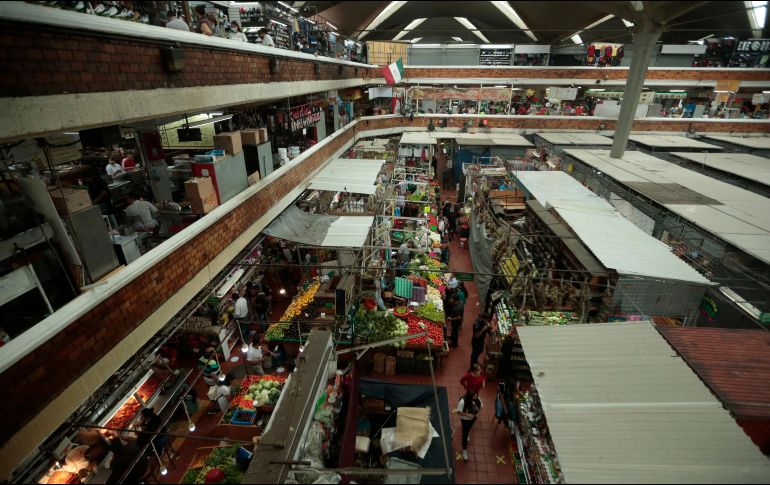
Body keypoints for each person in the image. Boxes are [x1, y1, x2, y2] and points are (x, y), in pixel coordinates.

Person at [452, 389, 482, 461]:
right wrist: (468, 415)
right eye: (474, 397)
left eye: (476, 396)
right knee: (464, 434)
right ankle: (464, 450)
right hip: (465, 420)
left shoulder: (477, 398)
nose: (476, 397)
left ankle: (467, 433)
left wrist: (477, 414)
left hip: (473, 419)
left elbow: (480, 407)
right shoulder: (462, 401)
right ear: (469, 397)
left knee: (468, 429)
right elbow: (458, 412)